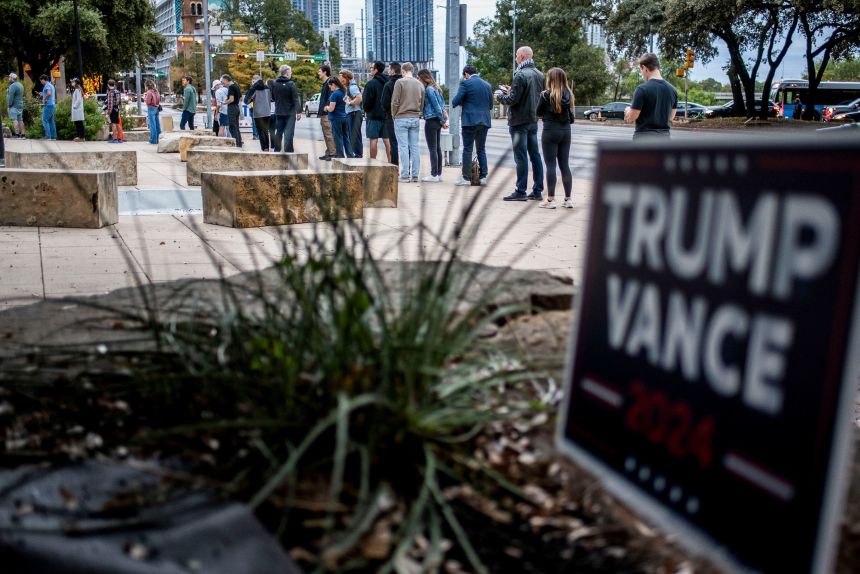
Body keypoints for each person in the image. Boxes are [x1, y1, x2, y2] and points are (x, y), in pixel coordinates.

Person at [496, 46, 544, 201]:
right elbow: (531, 96)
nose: (515, 58)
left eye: (516, 55)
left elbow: (512, 100)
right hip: (533, 119)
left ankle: (520, 190)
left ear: (522, 57)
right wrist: (512, 91)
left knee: (521, 156)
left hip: (518, 121)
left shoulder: (520, 75)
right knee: (535, 155)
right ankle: (537, 190)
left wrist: (499, 97)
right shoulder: (539, 74)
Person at [536, 68, 574, 209]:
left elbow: (538, 112)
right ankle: (568, 199)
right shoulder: (569, 94)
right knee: (565, 165)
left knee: (551, 165)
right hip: (565, 131)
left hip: (550, 131)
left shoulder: (545, 95)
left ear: (550, 79)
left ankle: (551, 200)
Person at [451, 64, 493, 187]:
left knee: (468, 149)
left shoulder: (466, 84)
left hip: (470, 121)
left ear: (466, 74)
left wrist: (464, 101)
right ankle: (483, 177)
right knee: (481, 149)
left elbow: (455, 101)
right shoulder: (487, 85)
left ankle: (466, 178)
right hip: (484, 121)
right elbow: (490, 105)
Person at [624, 53, 677, 139]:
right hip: (664, 140)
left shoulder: (642, 89)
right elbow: (671, 117)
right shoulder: (673, 90)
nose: (642, 74)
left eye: (641, 70)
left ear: (644, 68)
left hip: (644, 141)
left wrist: (628, 110)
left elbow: (632, 118)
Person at [391, 63, 424, 183]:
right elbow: (422, 102)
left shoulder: (400, 82)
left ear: (403, 71)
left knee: (403, 147)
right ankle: (415, 175)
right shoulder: (419, 84)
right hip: (415, 117)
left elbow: (395, 101)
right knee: (414, 146)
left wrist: (394, 114)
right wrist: (418, 113)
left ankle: (405, 175)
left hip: (401, 117)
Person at [418, 68, 447, 183]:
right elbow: (443, 106)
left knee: (433, 149)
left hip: (431, 120)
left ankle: (434, 174)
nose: (418, 81)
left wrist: (442, 121)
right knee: (437, 148)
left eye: (419, 78)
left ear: (423, 78)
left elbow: (437, 107)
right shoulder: (436, 88)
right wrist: (442, 120)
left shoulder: (429, 90)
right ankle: (438, 174)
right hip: (437, 121)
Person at [362, 61, 390, 161]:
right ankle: (392, 164)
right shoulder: (389, 82)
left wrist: (367, 110)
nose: (370, 69)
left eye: (371, 67)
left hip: (373, 116)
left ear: (376, 69)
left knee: (373, 140)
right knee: (387, 141)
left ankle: (374, 163)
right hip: (386, 116)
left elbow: (366, 102)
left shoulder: (371, 83)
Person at [270, 65, 302, 152]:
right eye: (290, 72)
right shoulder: (291, 84)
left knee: (279, 132)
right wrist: (298, 112)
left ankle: (277, 150)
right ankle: (288, 151)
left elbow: (272, 97)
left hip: (279, 111)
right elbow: (295, 98)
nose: (291, 74)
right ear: (287, 72)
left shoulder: (274, 84)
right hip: (290, 113)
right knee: (288, 133)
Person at [380, 62, 402, 166]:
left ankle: (395, 166)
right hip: (405, 115)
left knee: (393, 142)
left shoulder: (389, 84)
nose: (388, 71)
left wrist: (388, 112)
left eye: (389, 69)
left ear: (393, 70)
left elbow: (384, 103)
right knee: (406, 144)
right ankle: (407, 169)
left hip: (391, 116)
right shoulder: (404, 83)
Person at [325, 76, 351, 158]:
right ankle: (350, 155)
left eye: (329, 86)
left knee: (338, 138)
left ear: (333, 84)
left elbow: (331, 108)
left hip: (336, 118)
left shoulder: (334, 94)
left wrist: (326, 108)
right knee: (346, 137)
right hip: (345, 117)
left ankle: (340, 156)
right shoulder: (344, 92)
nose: (329, 88)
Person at [245, 74, 271, 151]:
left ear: (254, 81)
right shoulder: (267, 87)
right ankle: (267, 148)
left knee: (260, 131)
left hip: (258, 113)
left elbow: (247, 101)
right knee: (266, 131)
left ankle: (263, 148)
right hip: (267, 111)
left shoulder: (254, 88)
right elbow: (271, 98)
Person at [340, 69, 363, 158]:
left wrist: (350, 103)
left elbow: (359, 98)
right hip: (354, 113)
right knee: (355, 134)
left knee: (354, 135)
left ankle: (357, 154)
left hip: (354, 113)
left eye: (342, 78)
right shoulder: (350, 86)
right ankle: (357, 154)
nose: (340, 80)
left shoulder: (352, 87)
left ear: (346, 78)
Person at [317, 65, 337, 160]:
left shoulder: (330, 82)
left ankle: (332, 153)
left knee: (329, 134)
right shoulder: (326, 83)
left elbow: (331, 97)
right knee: (326, 134)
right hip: (324, 113)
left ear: (325, 72)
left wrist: (326, 108)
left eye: (320, 71)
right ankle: (328, 152)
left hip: (327, 114)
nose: (318, 73)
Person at [221, 74, 242, 147]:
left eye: (223, 82)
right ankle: (239, 144)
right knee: (236, 127)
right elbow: (239, 98)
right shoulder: (236, 85)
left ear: (226, 80)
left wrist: (224, 102)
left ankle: (236, 144)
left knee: (232, 127)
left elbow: (231, 99)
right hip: (236, 107)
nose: (222, 83)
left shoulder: (231, 87)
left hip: (232, 108)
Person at [7, 73, 24, 139]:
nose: (9, 79)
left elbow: (11, 97)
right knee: (20, 120)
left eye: (9, 77)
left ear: (12, 78)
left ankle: (17, 135)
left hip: (14, 105)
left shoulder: (12, 86)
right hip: (20, 104)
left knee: (14, 119)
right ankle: (23, 135)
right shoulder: (20, 85)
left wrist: (9, 105)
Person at [143, 80, 161, 145]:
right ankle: (158, 139)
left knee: (152, 125)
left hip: (151, 108)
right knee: (157, 124)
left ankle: (153, 140)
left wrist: (144, 98)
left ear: (147, 86)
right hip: (157, 108)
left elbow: (148, 102)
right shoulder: (156, 91)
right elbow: (158, 100)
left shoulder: (149, 92)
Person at [40, 74, 57, 141]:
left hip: (48, 105)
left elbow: (49, 93)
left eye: (41, 80)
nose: (41, 82)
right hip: (52, 104)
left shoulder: (47, 85)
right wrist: (43, 94)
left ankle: (48, 136)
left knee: (45, 120)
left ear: (43, 80)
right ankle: (53, 137)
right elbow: (50, 93)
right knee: (51, 121)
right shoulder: (51, 85)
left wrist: (44, 99)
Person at [105, 78, 121, 142]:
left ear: (108, 85)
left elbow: (110, 104)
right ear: (114, 84)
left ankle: (114, 139)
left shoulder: (110, 93)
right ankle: (119, 138)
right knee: (117, 124)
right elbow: (120, 102)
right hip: (117, 109)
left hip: (113, 110)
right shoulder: (118, 92)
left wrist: (108, 113)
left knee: (113, 124)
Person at [70, 78, 86, 142]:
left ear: (76, 83)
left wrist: (74, 106)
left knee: (79, 123)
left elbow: (78, 100)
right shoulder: (77, 89)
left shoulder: (77, 90)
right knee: (78, 123)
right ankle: (80, 136)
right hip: (77, 109)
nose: (72, 83)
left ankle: (81, 137)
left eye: (73, 82)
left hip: (77, 109)